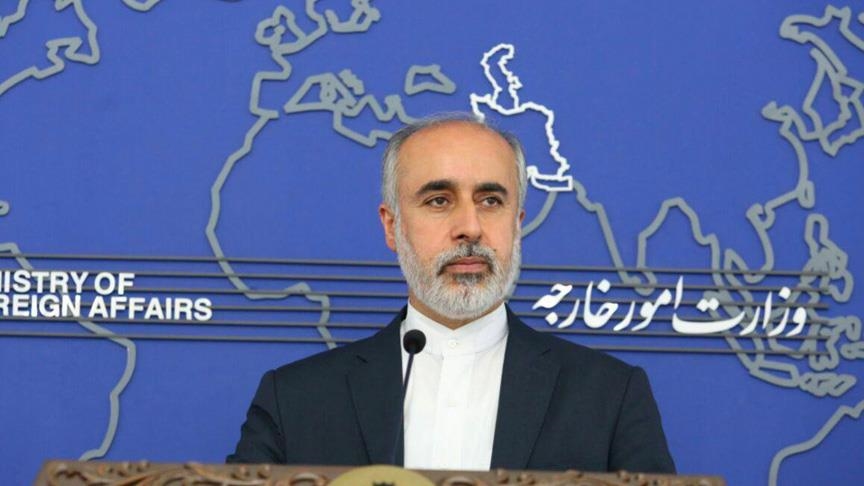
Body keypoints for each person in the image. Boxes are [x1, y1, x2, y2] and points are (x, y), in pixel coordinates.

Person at [227, 113, 675, 473]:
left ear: (517, 223)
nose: (470, 227)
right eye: (438, 200)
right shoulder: (296, 399)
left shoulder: (609, 396)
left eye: (490, 201)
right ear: (392, 226)